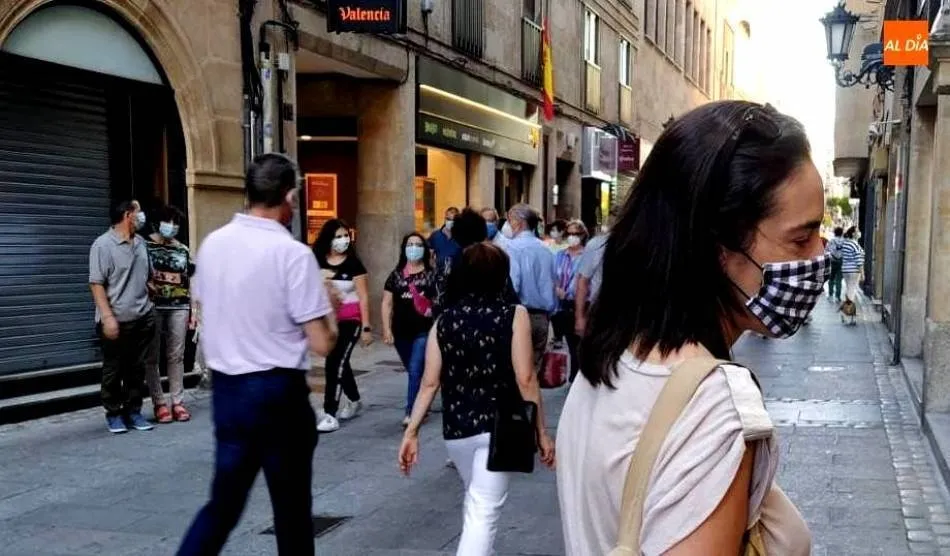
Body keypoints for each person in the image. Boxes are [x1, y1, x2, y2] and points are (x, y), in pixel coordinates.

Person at [557, 101, 819, 555]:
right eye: (801, 238)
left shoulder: (613, 354)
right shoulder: (713, 404)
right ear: (718, 248)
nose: (820, 255)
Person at [177, 153, 338, 555]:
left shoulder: (213, 245)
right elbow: (322, 342)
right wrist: (330, 307)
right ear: (289, 197)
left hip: (228, 391)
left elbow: (206, 305)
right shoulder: (292, 254)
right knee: (292, 510)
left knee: (222, 506)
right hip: (278, 392)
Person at [398, 243, 555, 556]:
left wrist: (411, 431)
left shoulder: (443, 321)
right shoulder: (514, 315)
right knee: (483, 509)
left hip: (457, 430)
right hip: (501, 426)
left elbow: (429, 383)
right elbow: (526, 378)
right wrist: (541, 432)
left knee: (476, 501)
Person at [89, 199, 156, 434]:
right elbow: (96, 284)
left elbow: (148, 275)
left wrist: (151, 288)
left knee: (136, 369)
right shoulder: (102, 245)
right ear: (128, 215)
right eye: (138, 212)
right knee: (114, 369)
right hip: (116, 320)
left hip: (143, 316)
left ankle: (133, 411)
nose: (142, 216)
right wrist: (107, 318)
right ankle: (114, 412)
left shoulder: (141, 243)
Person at [312, 219, 373, 433]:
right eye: (338, 236)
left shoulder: (354, 264)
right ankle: (354, 399)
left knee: (334, 362)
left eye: (346, 235)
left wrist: (366, 327)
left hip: (350, 319)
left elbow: (363, 297)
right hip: (327, 320)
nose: (343, 240)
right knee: (340, 362)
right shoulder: (317, 260)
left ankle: (330, 412)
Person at [145, 204, 196, 424]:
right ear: (158, 222)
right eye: (168, 221)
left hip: (179, 305)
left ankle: (177, 401)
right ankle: (159, 403)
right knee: (152, 356)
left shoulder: (182, 249)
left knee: (177, 355)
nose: (172, 226)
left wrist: (194, 310)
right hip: (153, 306)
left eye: (176, 222)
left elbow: (189, 280)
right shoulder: (145, 246)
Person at [382, 233, 436, 426]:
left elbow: (439, 301)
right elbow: (387, 303)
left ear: (424, 249)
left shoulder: (432, 275)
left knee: (414, 370)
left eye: (418, 245)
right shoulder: (395, 275)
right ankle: (424, 402)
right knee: (414, 370)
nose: (414, 248)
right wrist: (387, 329)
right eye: (410, 244)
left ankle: (412, 412)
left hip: (424, 330)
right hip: (401, 331)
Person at [501, 204, 557, 371]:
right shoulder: (546, 249)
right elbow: (553, 283)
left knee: (515, 371)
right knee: (534, 370)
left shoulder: (512, 248)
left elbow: (513, 284)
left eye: (510, 220)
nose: (508, 225)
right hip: (542, 317)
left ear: (520, 223)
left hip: (519, 315)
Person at [573, 207, 618, 336]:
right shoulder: (596, 245)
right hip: (601, 310)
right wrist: (579, 317)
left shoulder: (638, 244)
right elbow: (582, 282)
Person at [551, 220, 587, 381]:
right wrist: (556, 288)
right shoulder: (560, 255)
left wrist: (569, 293)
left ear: (582, 235)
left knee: (580, 344)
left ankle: (577, 376)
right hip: (563, 305)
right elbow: (553, 275)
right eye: (570, 233)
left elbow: (585, 280)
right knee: (571, 344)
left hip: (581, 304)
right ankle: (574, 375)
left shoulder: (586, 256)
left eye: (576, 234)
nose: (572, 237)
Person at [841, 226, 865, 305]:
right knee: (852, 288)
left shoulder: (845, 243)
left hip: (845, 269)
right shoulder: (855, 244)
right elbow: (859, 261)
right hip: (853, 270)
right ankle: (849, 307)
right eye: (858, 231)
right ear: (853, 233)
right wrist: (862, 273)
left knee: (849, 287)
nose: (859, 233)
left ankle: (847, 305)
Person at [826, 226, 845, 302]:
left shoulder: (831, 240)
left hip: (833, 261)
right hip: (841, 261)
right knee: (839, 279)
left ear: (835, 233)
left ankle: (830, 295)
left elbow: (826, 250)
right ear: (842, 233)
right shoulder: (844, 241)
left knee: (831, 278)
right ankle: (838, 296)